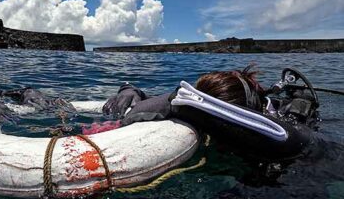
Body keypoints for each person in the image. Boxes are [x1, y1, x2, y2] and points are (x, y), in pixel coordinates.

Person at [102, 66, 320, 162]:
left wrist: (181, 103)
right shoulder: (196, 104)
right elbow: (147, 99)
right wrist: (130, 90)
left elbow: (285, 138)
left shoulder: (288, 121)